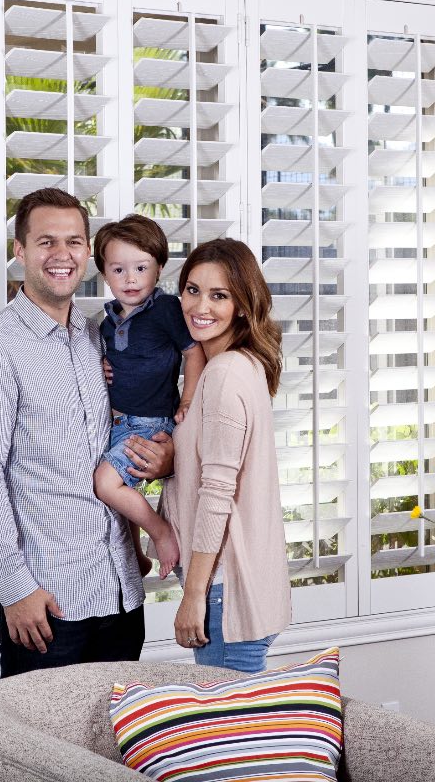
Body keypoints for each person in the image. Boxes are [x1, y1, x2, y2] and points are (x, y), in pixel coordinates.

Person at [0, 188, 174, 678]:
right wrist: (15, 588)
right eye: (46, 241)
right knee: (40, 754)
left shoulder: (102, 335)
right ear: (20, 250)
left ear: (88, 252)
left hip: (121, 592)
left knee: (114, 752)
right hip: (48, 606)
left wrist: (165, 459)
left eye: (74, 242)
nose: (62, 255)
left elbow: (126, 433)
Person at [161, 237, 290, 672]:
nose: (201, 305)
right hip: (243, 586)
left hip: (223, 592)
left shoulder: (224, 374)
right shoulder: (243, 364)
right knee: (244, 734)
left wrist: (194, 594)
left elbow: (217, 494)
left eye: (219, 295)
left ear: (242, 303)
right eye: (193, 290)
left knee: (231, 738)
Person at [92, 215, 206, 580]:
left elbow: (193, 351)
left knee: (106, 484)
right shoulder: (106, 322)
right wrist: (103, 365)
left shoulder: (166, 309)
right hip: (116, 419)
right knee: (118, 497)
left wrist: (187, 399)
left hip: (149, 422)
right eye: (118, 269)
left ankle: (160, 533)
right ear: (104, 274)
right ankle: (136, 559)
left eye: (140, 268)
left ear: (158, 269)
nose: (130, 278)